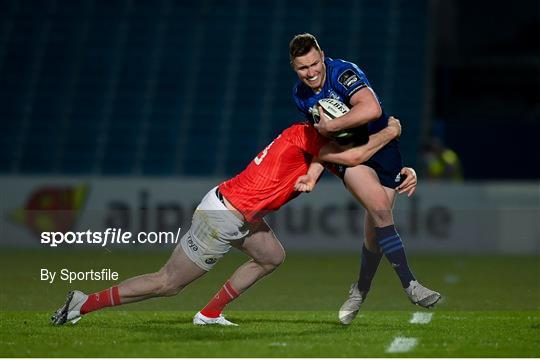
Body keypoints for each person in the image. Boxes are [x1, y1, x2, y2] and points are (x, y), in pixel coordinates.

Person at [51, 117, 408, 326]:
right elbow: (358, 155)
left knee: (271, 256)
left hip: (240, 213)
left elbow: (352, 165)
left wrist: (402, 172)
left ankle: (209, 313)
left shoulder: (306, 135)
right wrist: (391, 131)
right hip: (223, 215)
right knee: (168, 283)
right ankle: (83, 302)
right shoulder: (317, 143)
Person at [288, 33, 441, 325]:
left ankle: (359, 289)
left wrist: (332, 125)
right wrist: (313, 173)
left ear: (322, 56)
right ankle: (410, 284)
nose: (311, 73)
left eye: (314, 64)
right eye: (302, 68)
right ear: (294, 68)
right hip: (351, 153)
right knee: (381, 209)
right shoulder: (300, 94)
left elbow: (372, 110)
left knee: (374, 235)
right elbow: (327, 142)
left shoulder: (342, 72)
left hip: (384, 150)